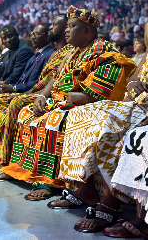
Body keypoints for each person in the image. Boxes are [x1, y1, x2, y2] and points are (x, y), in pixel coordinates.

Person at [0, 6, 136, 202]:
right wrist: (42, 98)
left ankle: (50, 181)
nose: (66, 31)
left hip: (83, 105)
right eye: (67, 26)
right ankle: (23, 171)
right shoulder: (71, 52)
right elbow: (54, 80)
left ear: (87, 29)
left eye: (72, 26)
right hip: (60, 100)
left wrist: (64, 99)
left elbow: (96, 94)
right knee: (26, 112)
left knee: (52, 120)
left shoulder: (105, 52)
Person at [48, 44, 148, 234]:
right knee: (81, 113)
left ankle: (110, 203)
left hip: (145, 109)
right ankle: (84, 188)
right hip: (136, 104)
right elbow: (133, 80)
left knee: (111, 123)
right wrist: (133, 85)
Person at [0, 15, 69, 169]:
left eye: (53, 25)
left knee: (15, 101)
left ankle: (6, 158)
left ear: (65, 28)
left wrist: (25, 93)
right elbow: (44, 80)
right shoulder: (56, 53)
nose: (50, 28)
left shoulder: (65, 52)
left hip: (49, 94)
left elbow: (50, 81)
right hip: (37, 90)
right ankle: (1, 149)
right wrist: (27, 91)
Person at [0, 23, 55, 163]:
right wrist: (7, 87)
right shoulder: (36, 54)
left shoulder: (50, 54)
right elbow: (22, 77)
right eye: (32, 33)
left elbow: (40, 82)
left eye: (37, 34)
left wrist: (14, 89)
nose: (32, 36)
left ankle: (6, 151)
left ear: (47, 36)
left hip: (32, 92)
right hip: (23, 89)